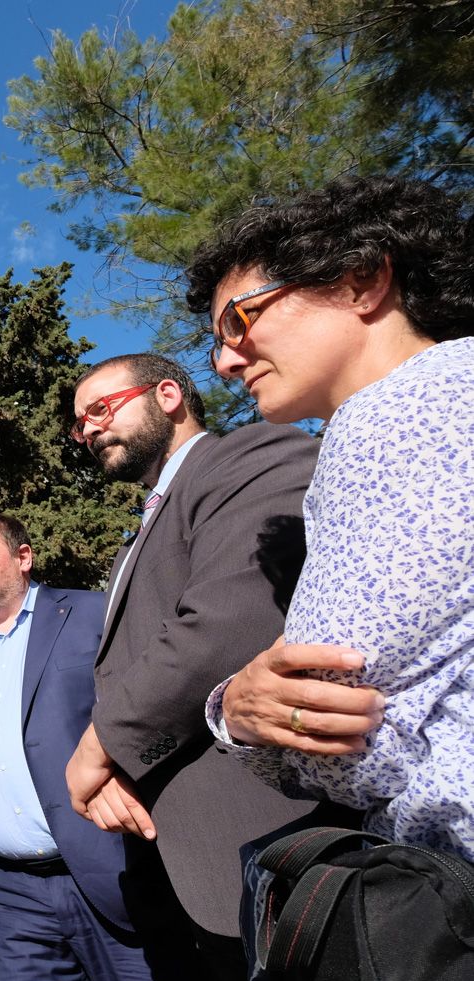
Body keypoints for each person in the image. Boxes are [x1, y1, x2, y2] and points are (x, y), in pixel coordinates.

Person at [190, 174, 474, 859]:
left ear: (359, 281)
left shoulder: (393, 417)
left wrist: (231, 715)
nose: (227, 362)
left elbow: (331, 728)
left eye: (240, 319)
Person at [66, 353, 339, 981]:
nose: (89, 431)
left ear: (168, 395)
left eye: (101, 409)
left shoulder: (254, 455)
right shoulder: (139, 534)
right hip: (178, 867)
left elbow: (228, 619)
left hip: (266, 846)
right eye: (80, 425)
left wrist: (101, 747)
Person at [0, 514, 186, 981]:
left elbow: (154, 705)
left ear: (23, 558)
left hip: (108, 873)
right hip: (8, 897)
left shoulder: (92, 613)